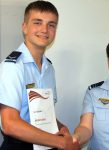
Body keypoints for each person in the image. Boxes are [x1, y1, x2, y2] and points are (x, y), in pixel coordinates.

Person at [0, 1, 78, 150]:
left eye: (51, 25)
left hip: (46, 142)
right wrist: (61, 143)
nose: (45, 30)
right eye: (38, 22)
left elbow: (43, 113)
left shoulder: (49, 68)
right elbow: (9, 124)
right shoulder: (13, 67)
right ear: (24, 27)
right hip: (19, 146)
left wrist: (61, 127)